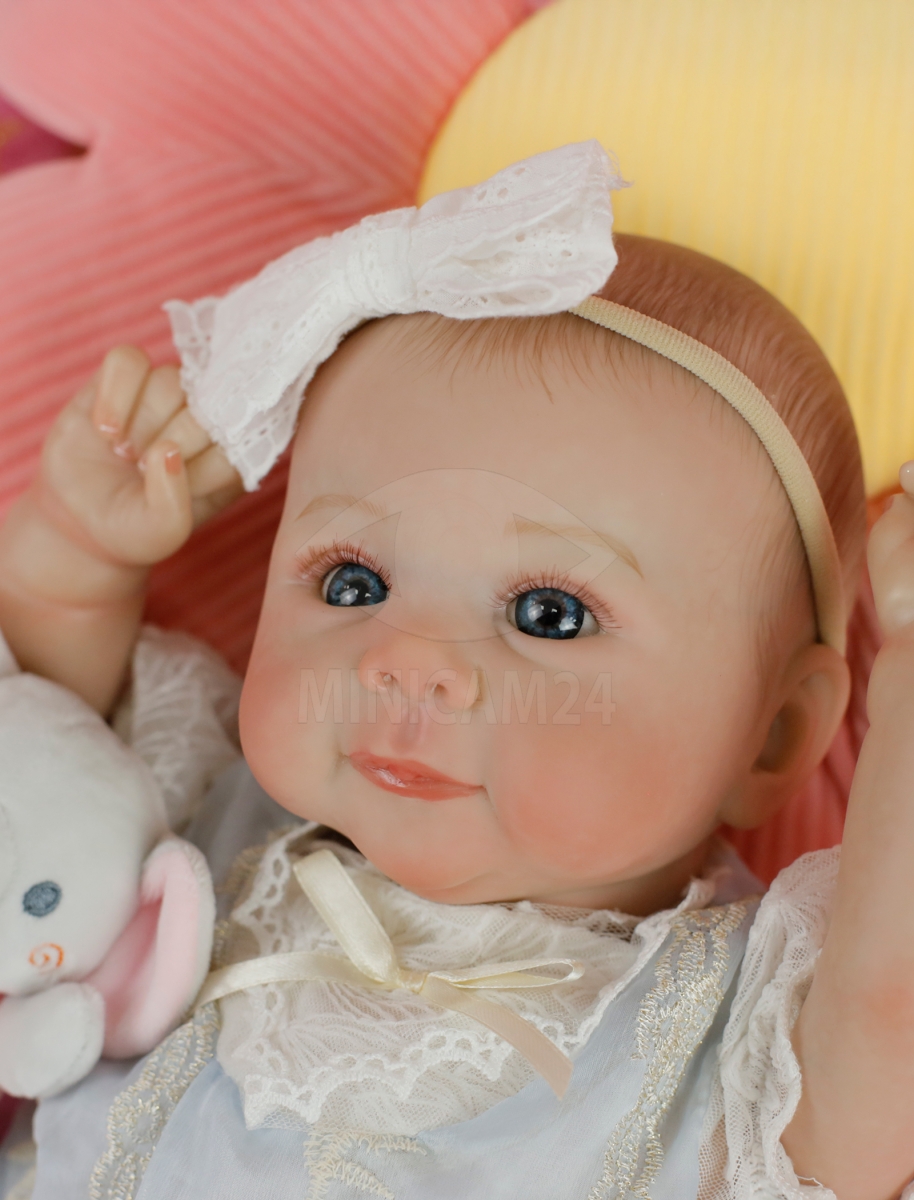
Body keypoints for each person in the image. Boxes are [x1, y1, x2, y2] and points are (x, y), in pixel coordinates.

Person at [0, 142, 911, 1199]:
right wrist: (79, 560)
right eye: (351, 582)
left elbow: (890, 1000)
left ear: (772, 734)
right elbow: (40, 764)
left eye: (548, 615)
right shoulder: (210, 837)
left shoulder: (733, 1042)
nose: (408, 662)